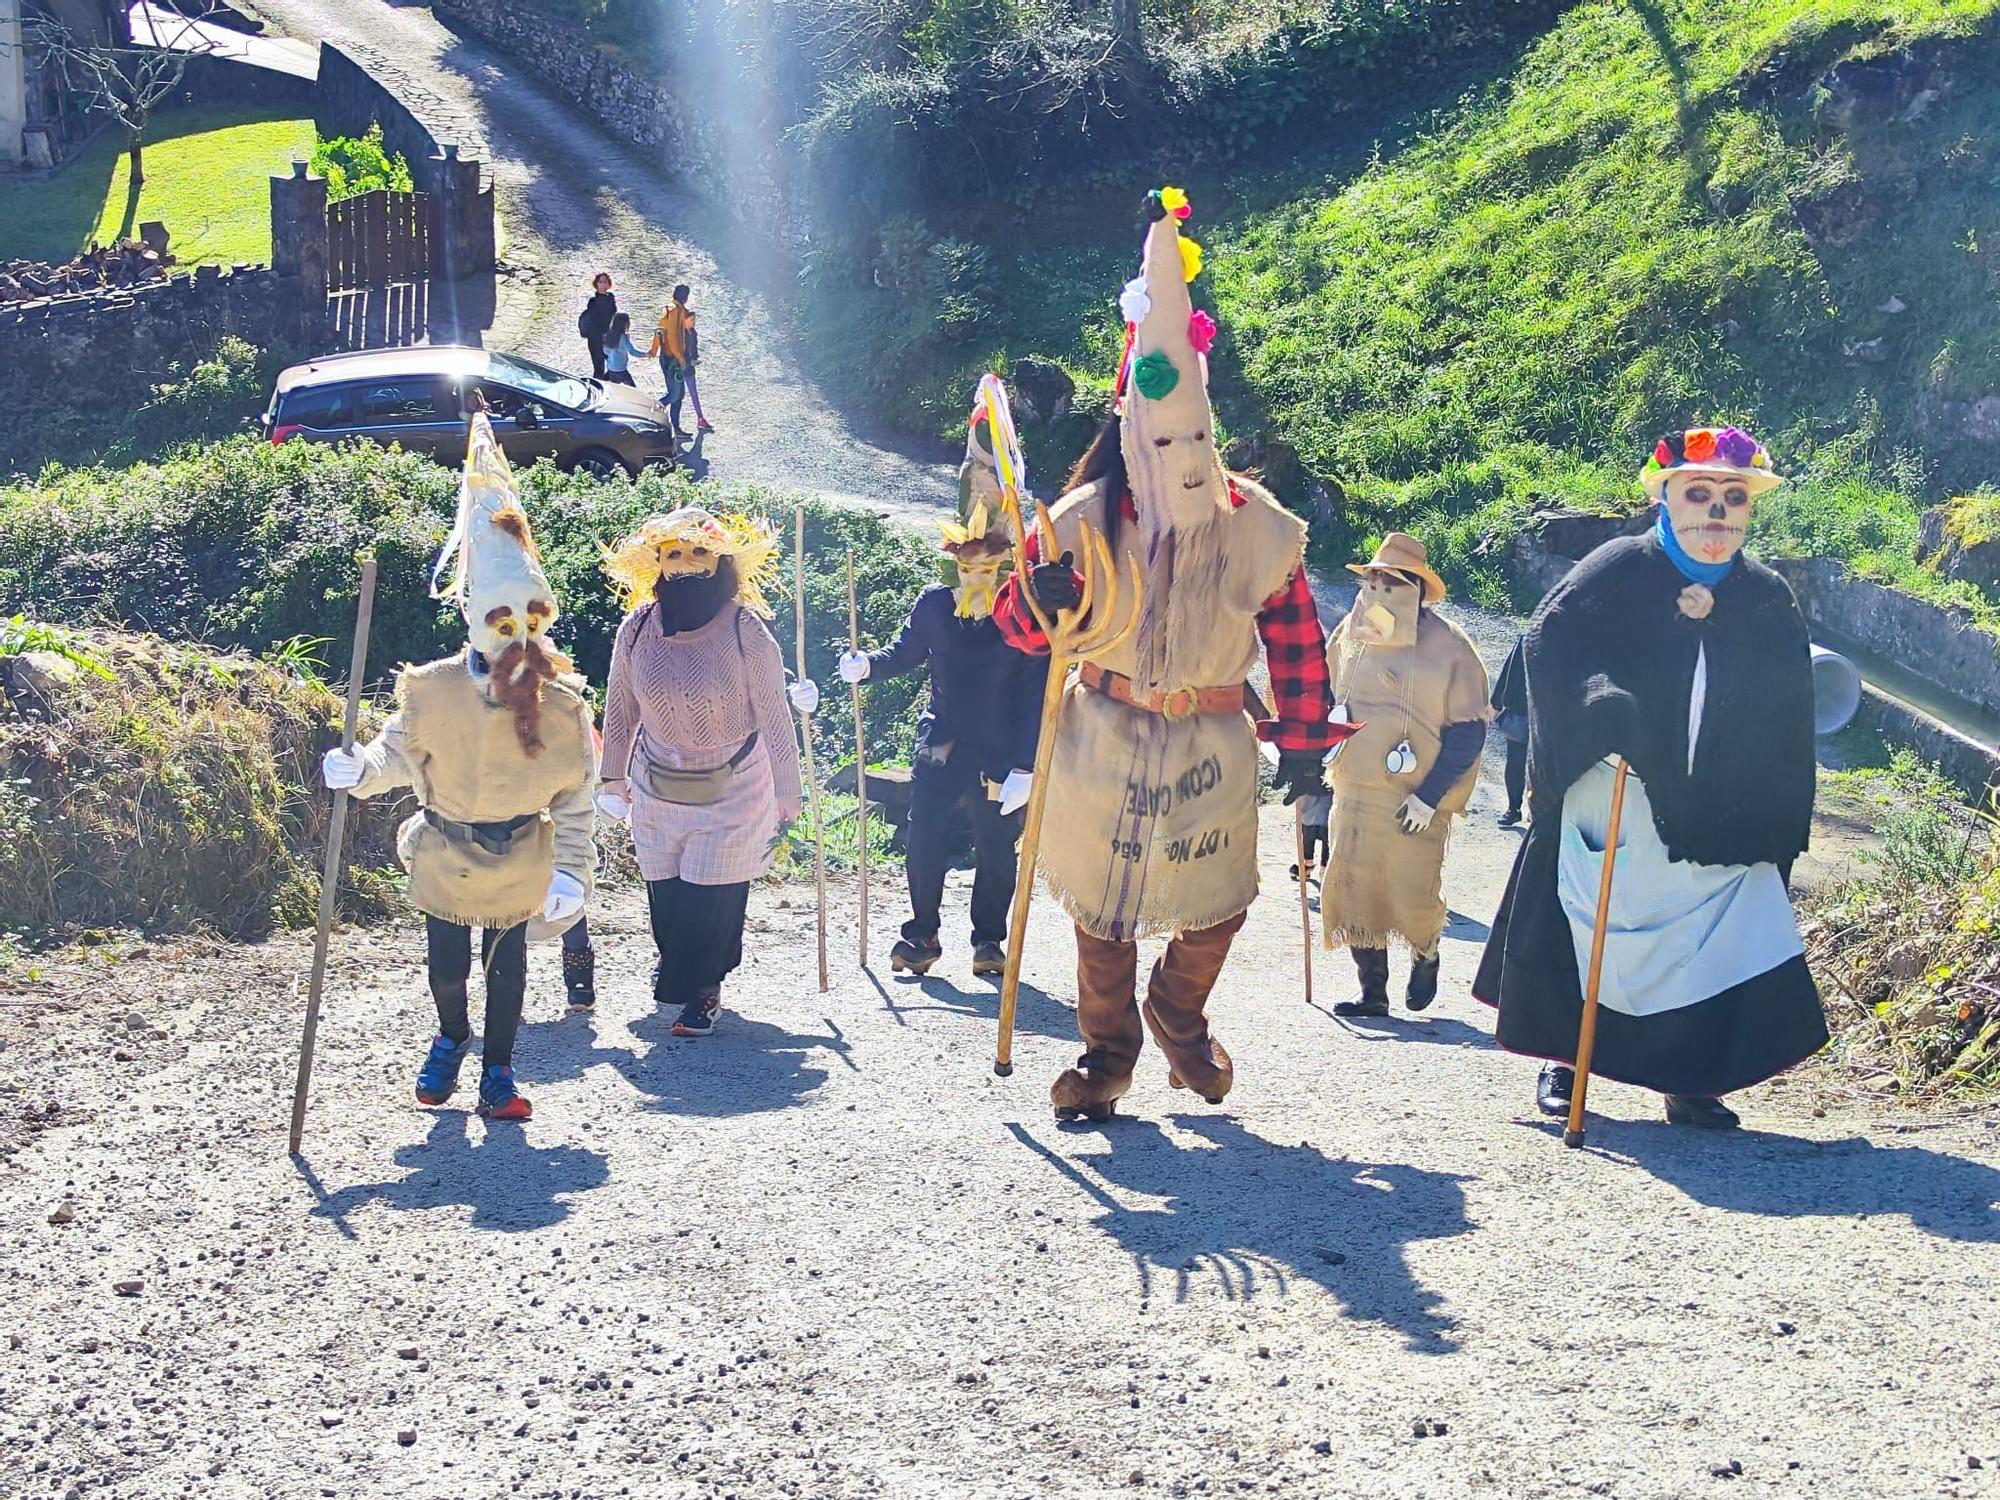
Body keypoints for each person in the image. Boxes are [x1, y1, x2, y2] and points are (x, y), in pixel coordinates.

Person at [993, 187, 1341, 1120]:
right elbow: (1020, 629)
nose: (1181, 453)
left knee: (1219, 899)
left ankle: (1177, 1012)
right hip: (1101, 731)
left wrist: (1305, 740)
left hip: (1209, 739)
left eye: (1196, 434)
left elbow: (1296, 637)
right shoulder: (1079, 519)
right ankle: (1107, 1056)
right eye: (1163, 436)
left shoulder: (1257, 527)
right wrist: (1044, 597)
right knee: (1101, 913)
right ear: (1129, 432)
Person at [1474, 426, 1829, 1130]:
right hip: (1617, 792)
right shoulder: (1616, 570)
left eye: (1733, 497)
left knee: (1711, 939)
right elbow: (1549, 645)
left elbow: (1791, 707)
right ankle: (1566, 1059)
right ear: (1668, 499)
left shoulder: (1767, 598)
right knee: (1593, 925)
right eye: (1699, 494)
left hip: (1717, 808)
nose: (1717, 512)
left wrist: (1772, 802)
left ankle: (1693, 1078)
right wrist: (1604, 709)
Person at [321, 402, 596, 1120]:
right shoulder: (433, 689)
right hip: (445, 848)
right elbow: (396, 751)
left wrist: (572, 869)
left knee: (506, 969)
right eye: (505, 622)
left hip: (519, 853)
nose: (519, 637)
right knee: (447, 968)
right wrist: (360, 769)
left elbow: (575, 795)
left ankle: (498, 1072)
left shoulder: (562, 707)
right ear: (478, 618)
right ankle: (451, 1036)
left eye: (531, 622)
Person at [837, 389, 1047, 977]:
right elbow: (904, 653)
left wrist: (1028, 764)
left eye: (991, 565)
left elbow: (1038, 688)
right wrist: (867, 666)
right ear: (953, 561)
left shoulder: (1024, 615)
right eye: (968, 564)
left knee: (995, 846)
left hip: (1004, 744)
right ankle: (921, 935)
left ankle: (988, 942)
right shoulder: (933, 605)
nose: (978, 574)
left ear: (1006, 565)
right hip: (945, 736)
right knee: (923, 834)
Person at [595, 507, 818, 1037]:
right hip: (655, 780)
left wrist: (789, 790)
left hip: (735, 781)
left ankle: (703, 989)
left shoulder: (747, 629)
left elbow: (772, 713)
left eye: (698, 552)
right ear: (658, 565)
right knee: (667, 893)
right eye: (673, 554)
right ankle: (680, 965)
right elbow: (621, 706)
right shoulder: (636, 628)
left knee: (711, 894)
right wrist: (611, 776)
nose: (686, 564)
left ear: (719, 561)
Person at [1321, 533, 1489, 1017]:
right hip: (1353, 789)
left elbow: (1468, 730)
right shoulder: (1350, 633)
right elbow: (1329, 695)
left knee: (1410, 890)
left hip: (1414, 798)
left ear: (1414, 587)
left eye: (1388, 580)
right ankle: (1372, 993)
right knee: (1351, 889)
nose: (1375, 588)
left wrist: (1429, 797)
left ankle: (1426, 951)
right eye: (1371, 578)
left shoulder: (1451, 647)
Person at [1492, 633, 1529, 827]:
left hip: (1552, 714)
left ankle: (1538, 809)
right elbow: (1511, 668)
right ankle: (1514, 808)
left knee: (1542, 766)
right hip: (1522, 710)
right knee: (1515, 764)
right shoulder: (1528, 637)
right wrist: (1496, 702)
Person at [651, 284, 696, 438]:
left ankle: (675, 427)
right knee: (674, 394)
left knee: (680, 394)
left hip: (667, 356)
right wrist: (681, 358)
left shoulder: (669, 309)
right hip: (672, 359)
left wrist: (654, 349)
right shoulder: (675, 311)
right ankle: (652, 412)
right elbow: (673, 337)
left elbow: (659, 331)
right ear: (685, 297)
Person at [580, 272, 617, 380]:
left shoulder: (611, 298)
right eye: (600, 282)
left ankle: (605, 383)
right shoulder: (593, 301)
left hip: (608, 336)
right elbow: (594, 319)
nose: (602, 284)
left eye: (605, 282)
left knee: (615, 364)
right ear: (596, 284)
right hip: (595, 337)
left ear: (608, 284)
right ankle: (597, 386)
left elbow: (613, 316)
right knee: (598, 367)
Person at [600, 311, 645, 387]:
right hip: (621, 370)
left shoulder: (607, 335)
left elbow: (606, 352)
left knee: (614, 389)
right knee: (634, 390)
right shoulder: (623, 337)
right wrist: (645, 354)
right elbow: (632, 351)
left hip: (611, 369)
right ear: (625, 324)